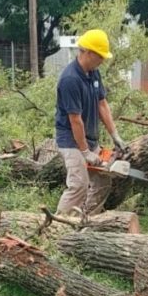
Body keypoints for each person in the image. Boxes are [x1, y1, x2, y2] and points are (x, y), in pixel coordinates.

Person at [54, 28, 126, 216]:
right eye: (100, 56)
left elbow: (102, 104)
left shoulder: (94, 73)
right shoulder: (70, 79)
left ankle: (87, 222)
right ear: (88, 52)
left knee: (103, 182)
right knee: (79, 185)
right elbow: (75, 120)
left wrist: (114, 135)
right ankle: (58, 227)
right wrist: (84, 151)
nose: (102, 60)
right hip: (71, 141)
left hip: (90, 139)